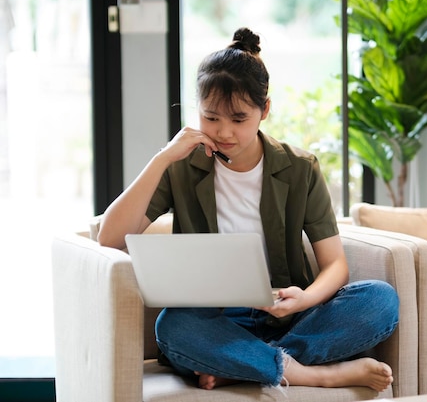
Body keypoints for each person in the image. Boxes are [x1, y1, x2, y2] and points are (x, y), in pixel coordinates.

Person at [97, 27, 399, 392]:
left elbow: (335, 265)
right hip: (217, 321)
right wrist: (161, 159)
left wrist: (304, 298)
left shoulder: (300, 168)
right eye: (211, 118)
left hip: (289, 316)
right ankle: (308, 372)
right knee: (172, 327)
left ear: (264, 110)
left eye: (238, 119)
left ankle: (245, 364)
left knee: (379, 299)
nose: (224, 132)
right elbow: (109, 238)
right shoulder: (181, 167)